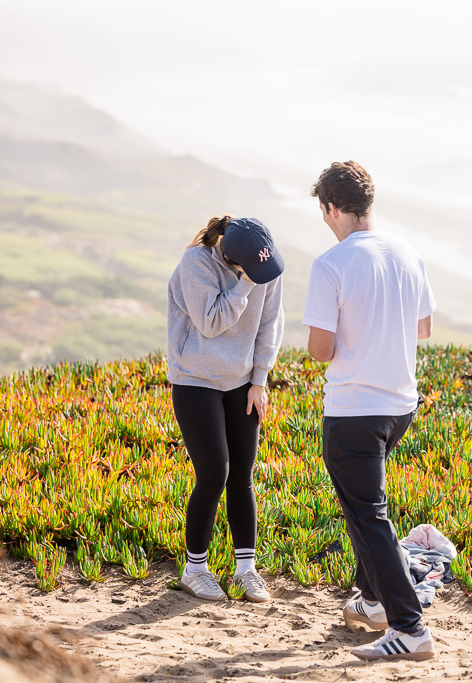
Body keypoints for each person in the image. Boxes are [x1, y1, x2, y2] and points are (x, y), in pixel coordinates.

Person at [303, 161, 437, 661]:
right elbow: (422, 330)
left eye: (323, 211)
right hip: (400, 405)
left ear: (332, 208)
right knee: (365, 509)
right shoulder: (407, 251)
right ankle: (372, 601)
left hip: (354, 409)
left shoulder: (331, 264)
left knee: (368, 515)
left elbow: (320, 350)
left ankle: (409, 628)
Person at [166, 215, 285, 602]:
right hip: (195, 379)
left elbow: (270, 323)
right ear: (231, 257)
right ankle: (194, 570)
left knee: (242, 476)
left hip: (242, 381)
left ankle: (246, 569)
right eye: (253, 270)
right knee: (214, 473)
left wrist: (260, 380)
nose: (262, 275)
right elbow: (211, 323)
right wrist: (245, 283)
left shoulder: (264, 265)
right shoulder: (196, 263)